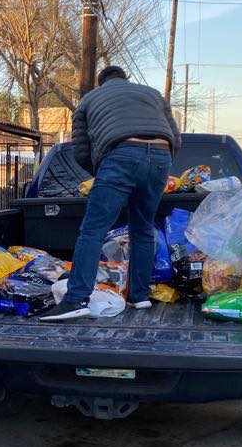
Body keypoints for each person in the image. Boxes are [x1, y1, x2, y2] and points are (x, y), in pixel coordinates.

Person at [41, 65, 181, 322]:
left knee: (93, 229)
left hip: (120, 155)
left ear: (101, 82)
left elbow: (81, 149)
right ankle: (140, 296)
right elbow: (175, 137)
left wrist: (103, 171)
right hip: (161, 156)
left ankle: (76, 299)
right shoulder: (153, 94)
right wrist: (159, 162)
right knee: (142, 227)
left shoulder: (89, 99)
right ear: (125, 78)